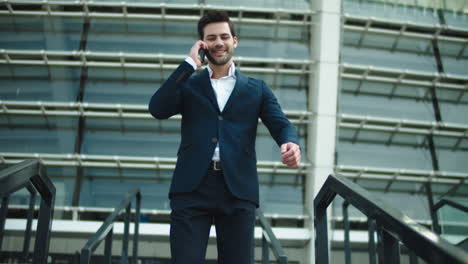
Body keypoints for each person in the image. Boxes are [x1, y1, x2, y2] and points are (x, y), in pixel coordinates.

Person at [148, 10, 301, 264]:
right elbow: (158, 108)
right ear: (202, 44)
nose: (218, 42)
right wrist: (188, 65)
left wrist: (291, 143)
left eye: (224, 36)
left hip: (238, 190)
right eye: (211, 38)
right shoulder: (189, 85)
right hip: (192, 188)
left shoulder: (256, 89)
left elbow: (281, 125)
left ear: (234, 41)